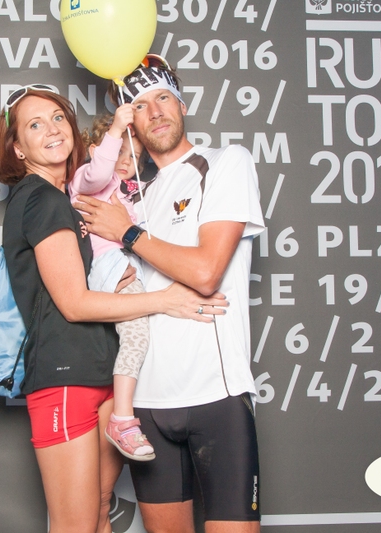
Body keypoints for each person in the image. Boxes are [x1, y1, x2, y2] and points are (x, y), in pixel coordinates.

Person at [0, 84, 229, 533]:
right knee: (77, 525)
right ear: (18, 148)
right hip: (65, 378)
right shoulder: (41, 199)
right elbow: (75, 304)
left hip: (101, 374)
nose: (52, 130)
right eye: (35, 125)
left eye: (58, 118)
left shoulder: (70, 196)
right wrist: (167, 300)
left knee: (99, 515)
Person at [75, 55, 266, 533]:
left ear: (181, 105)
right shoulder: (129, 196)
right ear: (130, 124)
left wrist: (128, 233)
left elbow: (206, 272)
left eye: (163, 97)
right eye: (140, 105)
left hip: (216, 395)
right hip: (145, 405)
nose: (155, 111)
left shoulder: (223, 162)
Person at [69, 106, 155, 461]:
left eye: (133, 157)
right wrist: (118, 128)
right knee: (137, 336)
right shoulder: (87, 179)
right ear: (96, 149)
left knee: (139, 337)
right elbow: (100, 170)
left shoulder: (127, 191)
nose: (124, 161)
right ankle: (122, 419)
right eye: (118, 151)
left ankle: (123, 413)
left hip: (125, 264)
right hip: (109, 267)